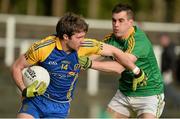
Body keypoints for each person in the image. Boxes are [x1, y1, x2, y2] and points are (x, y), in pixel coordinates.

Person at [11, 12, 146, 118]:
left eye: (84, 36)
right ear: (65, 37)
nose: (83, 41)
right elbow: (17, 67)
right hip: (35, 101)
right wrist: (24, 89)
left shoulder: (85, 45)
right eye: (79, 37)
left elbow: (115, 51)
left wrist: (136, 70)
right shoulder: (42, 48)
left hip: (60, 107)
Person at [86, 3, 165, 118]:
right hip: (124, 94)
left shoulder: (138, 40)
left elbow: (120, 67)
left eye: (121, 20)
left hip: (149, 95)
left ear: (130, 22)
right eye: (114, 20)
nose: (116, 25)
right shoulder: (110, 39)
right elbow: (92, 56)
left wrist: (88, 64)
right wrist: (74, 60)